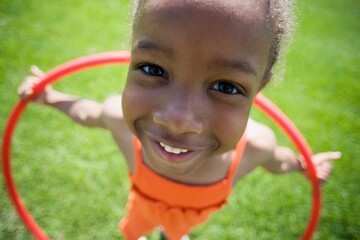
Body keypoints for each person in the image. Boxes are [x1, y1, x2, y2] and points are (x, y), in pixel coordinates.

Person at [18, 0, 341, 239]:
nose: (178, 120)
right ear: (130, 57)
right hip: (142, 206)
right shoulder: (118, 117)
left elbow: (278, 161)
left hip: (189, 218)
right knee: (136, 229)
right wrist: (53, 98)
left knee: (176, 233)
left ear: (260, 88)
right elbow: (86, 113)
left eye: (226, 87)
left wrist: (302, 165)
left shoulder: (256, 146)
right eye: (152, 69)